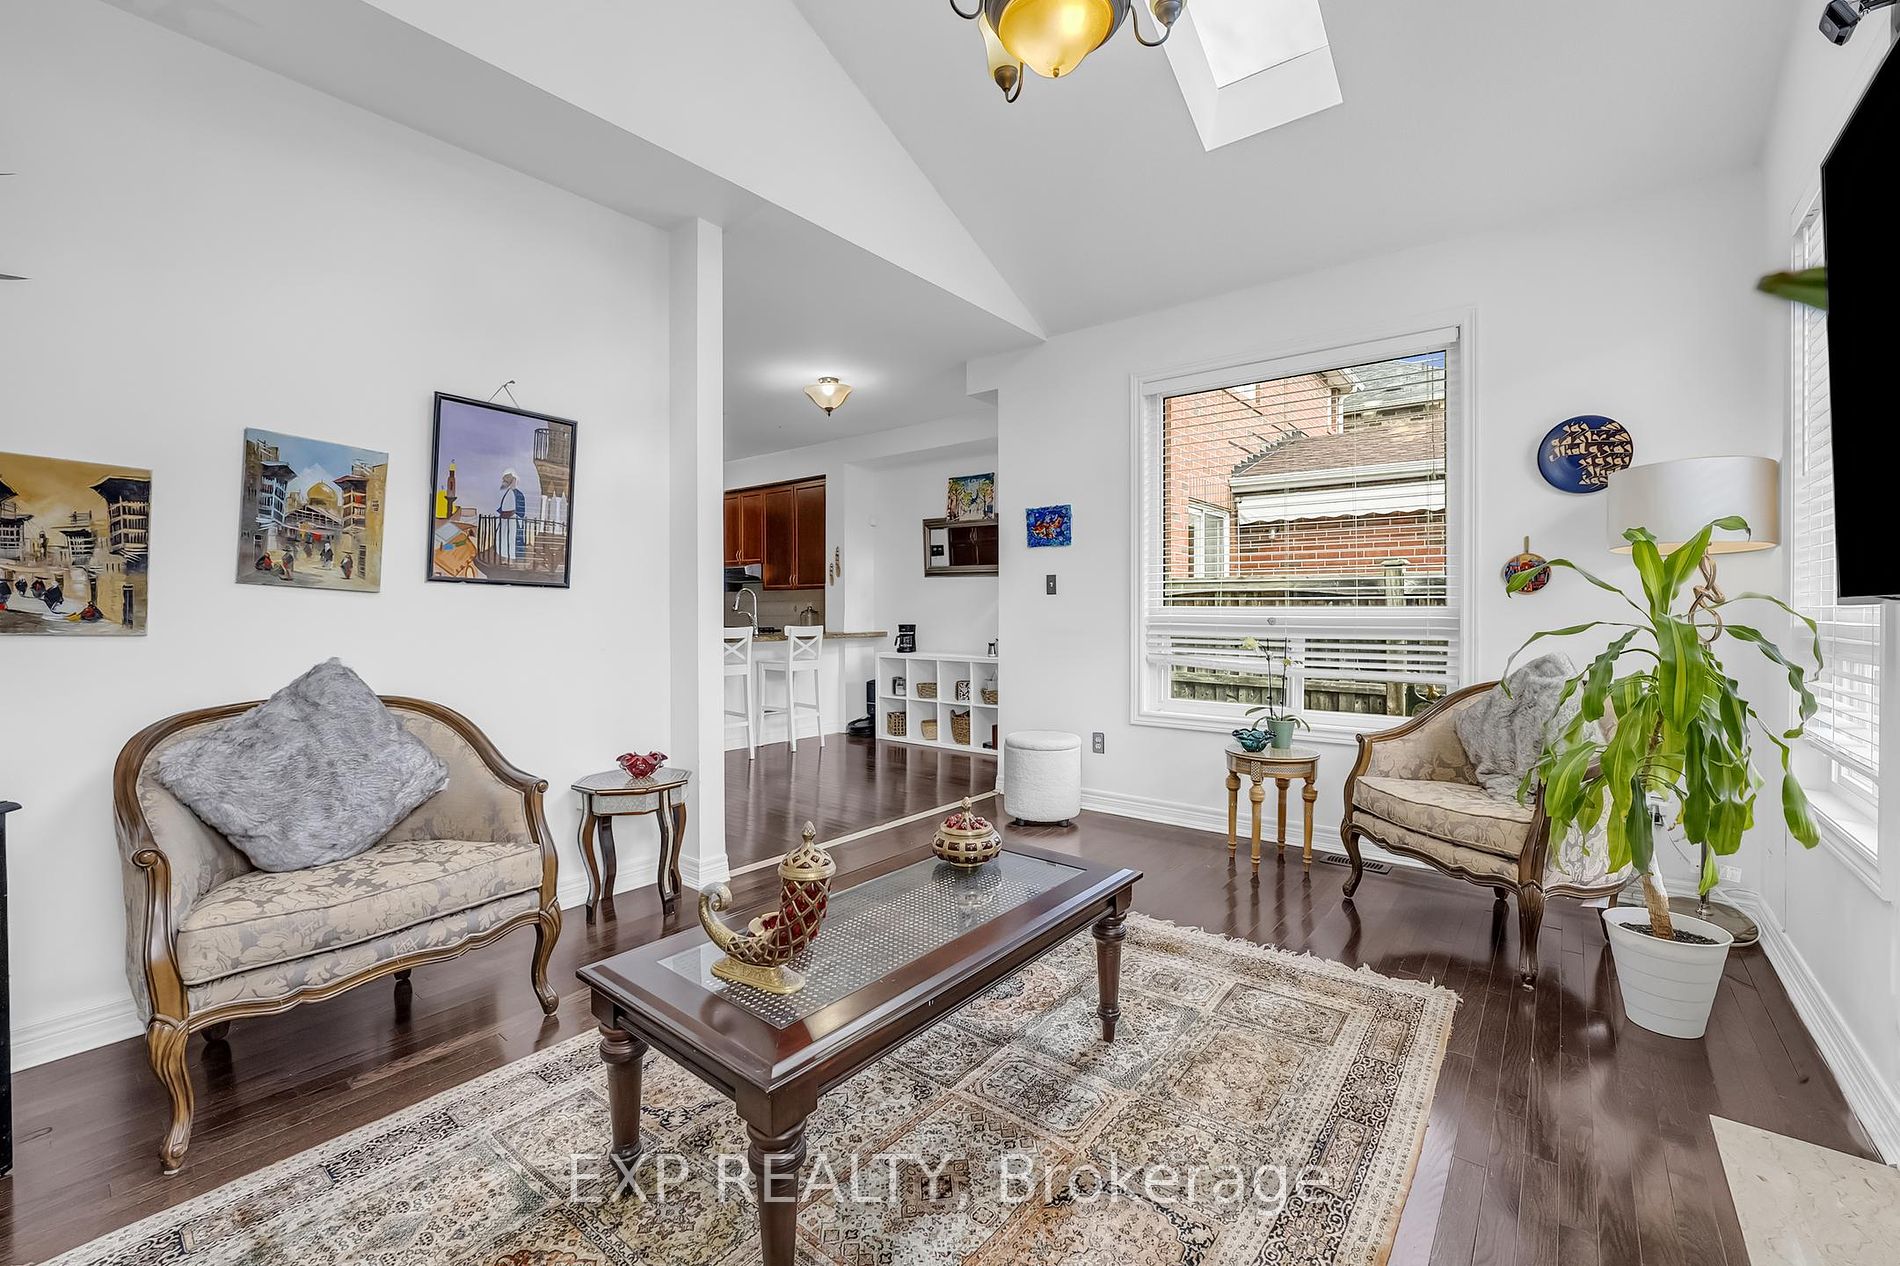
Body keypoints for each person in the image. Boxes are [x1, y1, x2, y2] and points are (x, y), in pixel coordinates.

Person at [496, 469, 526, 562]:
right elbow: (503, 507)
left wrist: (509, 514)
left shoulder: (518, 494)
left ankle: (512, 560)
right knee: (503, 539)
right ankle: (504, 558)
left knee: (511, 540)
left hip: (513, 522)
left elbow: (519, 510)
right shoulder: (508, 492)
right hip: (505, 522)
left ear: (514, 480)